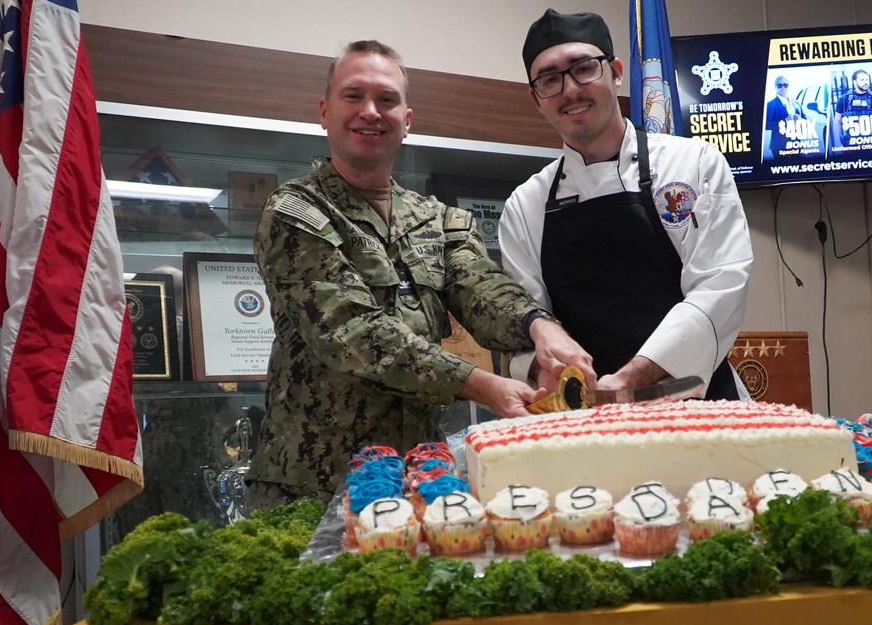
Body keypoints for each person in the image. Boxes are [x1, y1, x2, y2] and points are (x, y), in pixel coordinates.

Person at [247, 40, 592, 509]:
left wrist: (540, 326)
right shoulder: (296, 212)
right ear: (325, 112)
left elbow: (482, 288)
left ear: (406, 120)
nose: (371, 111)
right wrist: (483, 384)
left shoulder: (440, 219)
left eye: (387, 99)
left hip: (417, 480)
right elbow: (351, 331)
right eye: (354, 96)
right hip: (314, 488)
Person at [499, 9, 753, 400]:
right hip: (590, 415)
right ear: (536, 99)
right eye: (550, 79)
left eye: (583, 68)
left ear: (616, 72)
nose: (569, 90)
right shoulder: (525, 206)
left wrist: (633, 378)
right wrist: (542, 367)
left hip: (700, 403)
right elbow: (523, 324)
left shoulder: (692, 164)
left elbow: (720, 286)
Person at [831, 69, 872, 151]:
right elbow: (837, 121)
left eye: (867, 79)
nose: (866, 82)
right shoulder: (844, 100)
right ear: (854, 82)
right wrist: (837, 142)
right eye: (862, 80)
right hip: (849, 146)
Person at [764, 75, 807, 159]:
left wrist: (800, 120)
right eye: (779, 85)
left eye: (785, 85)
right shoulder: (771, 104)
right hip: (779, 146)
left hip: (797, 144)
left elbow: (807, 121)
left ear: (788, 86)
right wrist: (785, 121)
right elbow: (766, 125)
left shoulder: (796, 103)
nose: (782, 87)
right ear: (775, 87)